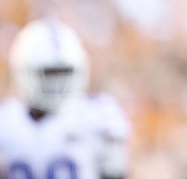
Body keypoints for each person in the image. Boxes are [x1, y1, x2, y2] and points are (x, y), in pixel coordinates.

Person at [0, 18, 130, 179]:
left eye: (64, 74)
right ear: (23, 72)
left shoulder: (98, 114)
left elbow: (116, 173)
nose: (57, 85)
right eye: (49, 74)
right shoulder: (5, 122)